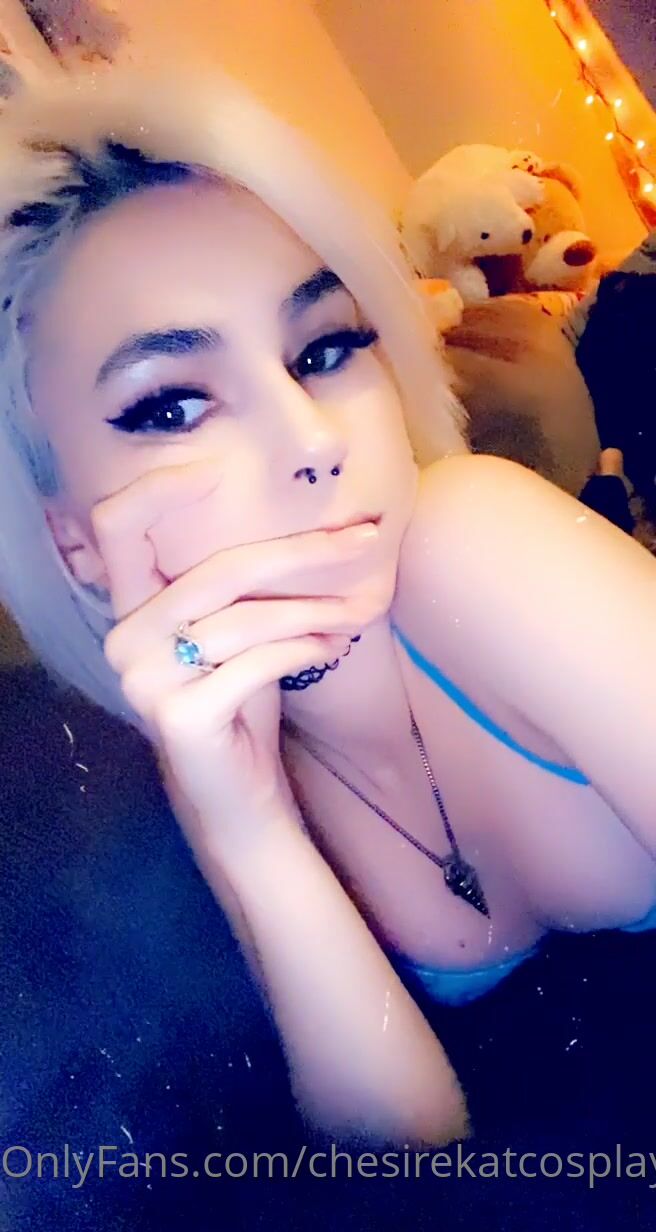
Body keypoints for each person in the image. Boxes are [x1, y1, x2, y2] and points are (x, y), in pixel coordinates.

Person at [0, 66, 654, 1153]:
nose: (313, 440)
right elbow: (402, 1171)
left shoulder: (480, 543)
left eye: (324, 349)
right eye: (173, 405)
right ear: (73, 538)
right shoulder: (197, 773)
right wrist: (249, 830)